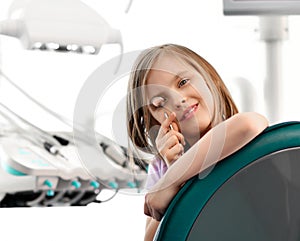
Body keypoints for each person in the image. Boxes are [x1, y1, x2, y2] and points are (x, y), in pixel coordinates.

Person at [126, 44, 268, 241]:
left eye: (183, 82)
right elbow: (152, 239)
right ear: (154, 119)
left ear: (211, 79)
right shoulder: (160, 167)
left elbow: (249, 124)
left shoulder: (241, 140)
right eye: (160, 102)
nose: (177, 100)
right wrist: (171, 171)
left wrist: (174, 178)